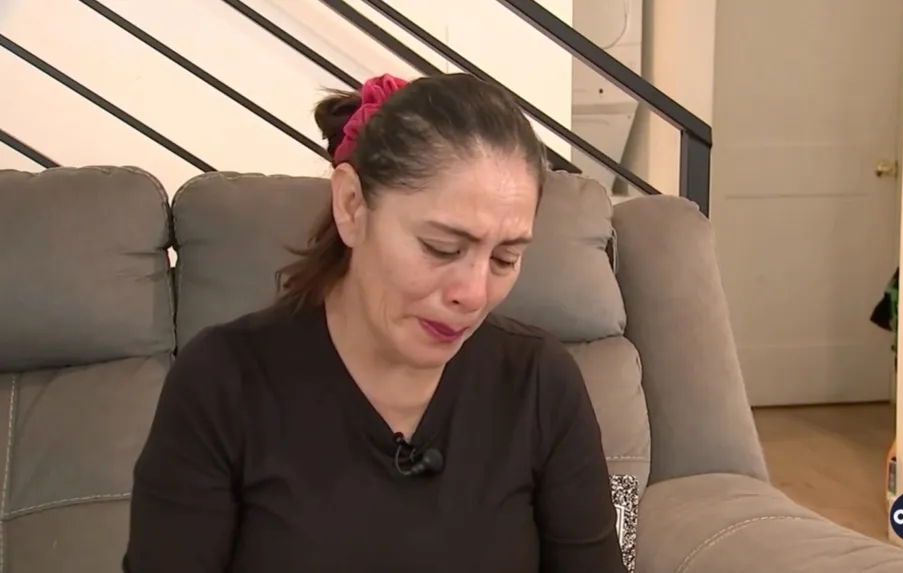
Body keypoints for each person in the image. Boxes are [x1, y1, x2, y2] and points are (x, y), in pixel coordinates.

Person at [122, 73, 626, 573]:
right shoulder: (223, 384)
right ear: (352, 207)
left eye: (505, 259)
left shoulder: (540, 383)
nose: (473, 294)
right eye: (441, 248)